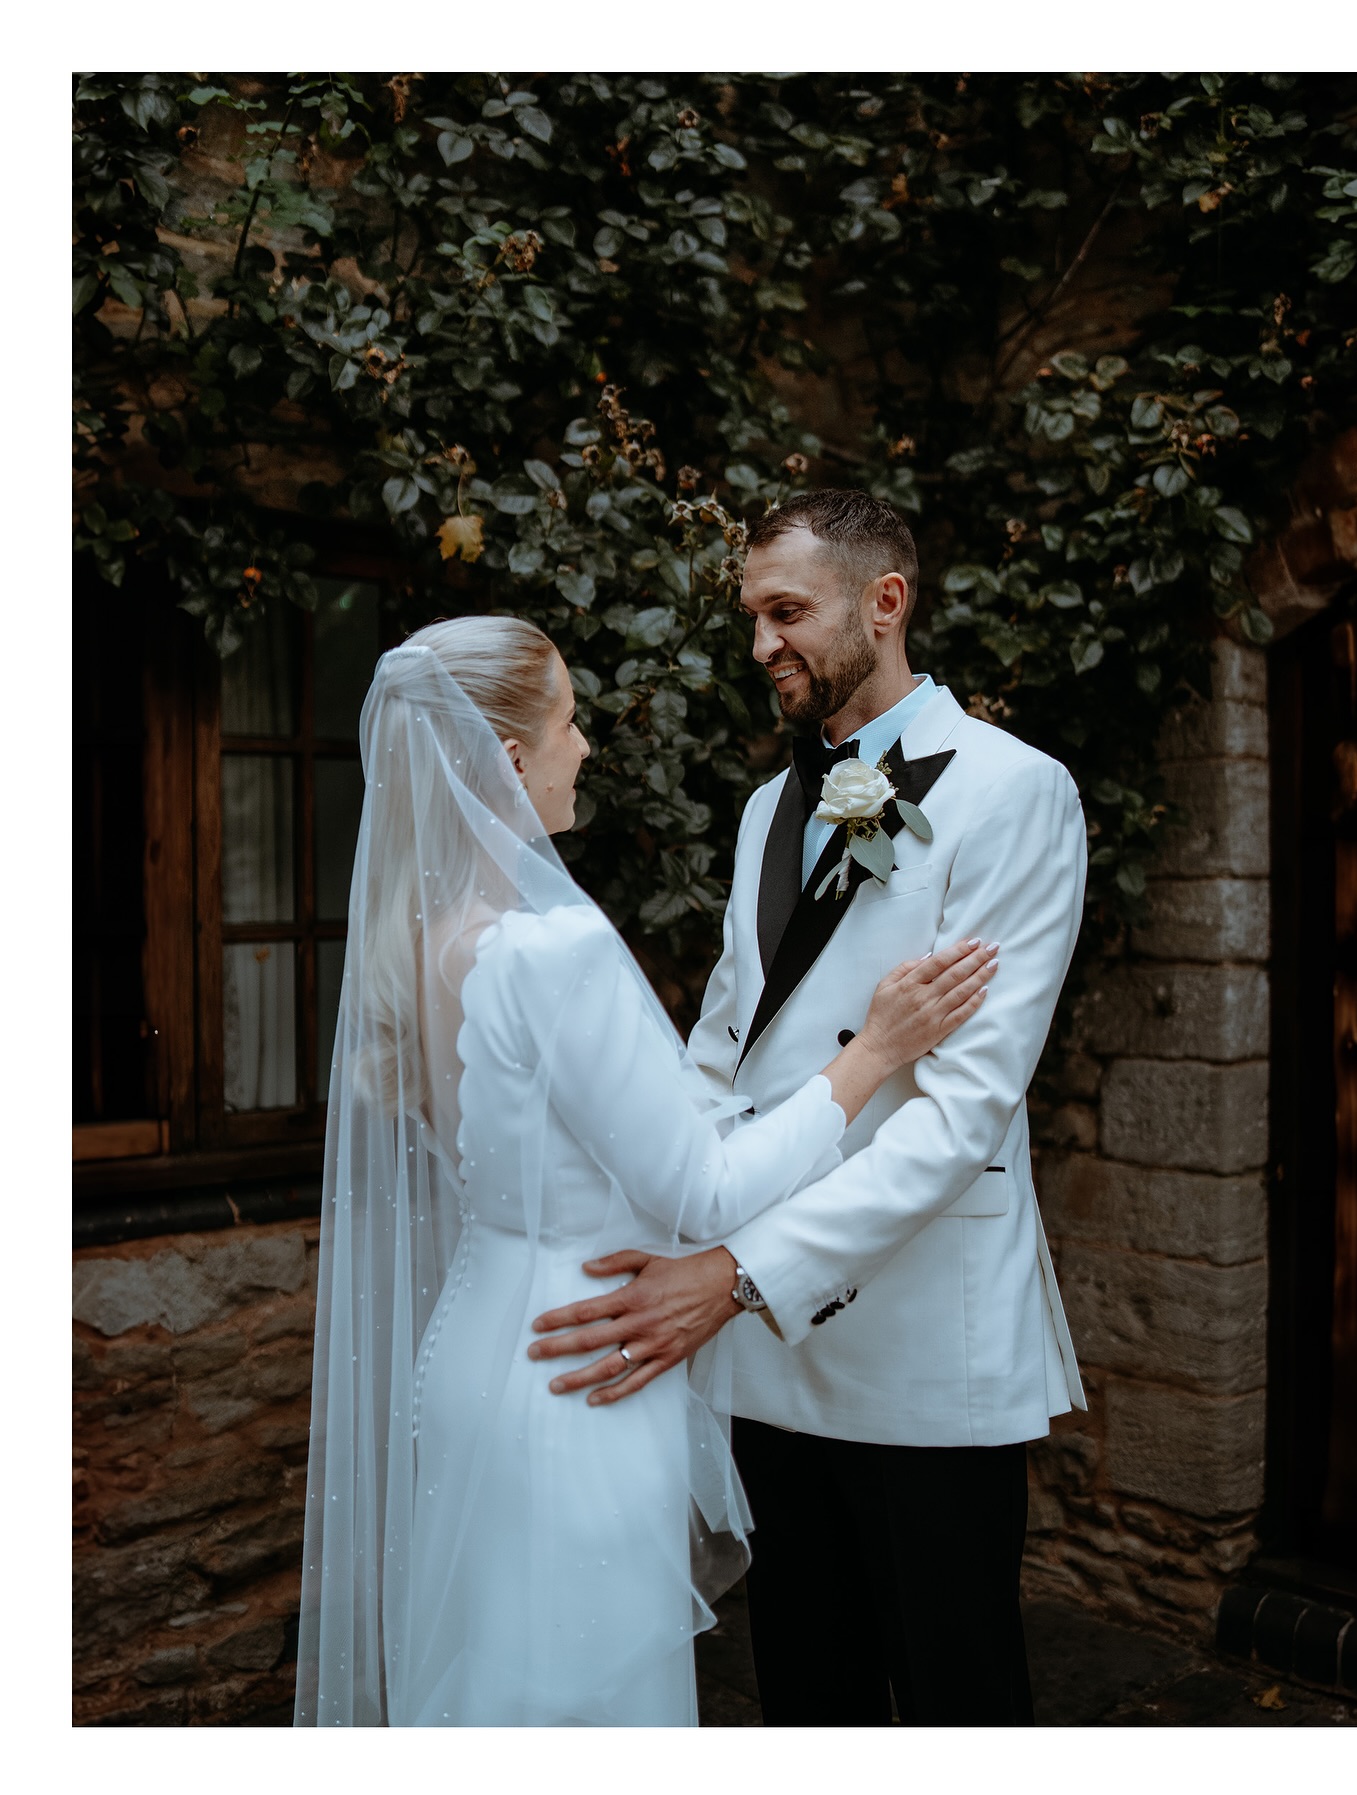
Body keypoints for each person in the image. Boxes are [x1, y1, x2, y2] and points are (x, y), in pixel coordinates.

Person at [293, 613, 996, 1726]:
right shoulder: (549, 949)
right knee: (589, 1704)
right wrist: (872, 1057)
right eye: (570, 723)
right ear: (507, 762)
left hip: (476, 1351)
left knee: (496, 1684)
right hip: (589, 1363)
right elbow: (702, 1195)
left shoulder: (416, 948)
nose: (587, 749)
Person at [528, 490, 1089, 1726]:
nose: (761, 643)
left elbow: (958, 1117)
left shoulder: (1014, 792)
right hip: (768, 1355)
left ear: (885, 603)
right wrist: (659, 1202)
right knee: (807, 1697)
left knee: (959, 1701)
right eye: (751, 618)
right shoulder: (771, 806)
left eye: (786, 612)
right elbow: (726, 1045)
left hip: (916, 1345)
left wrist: (732, 1271)